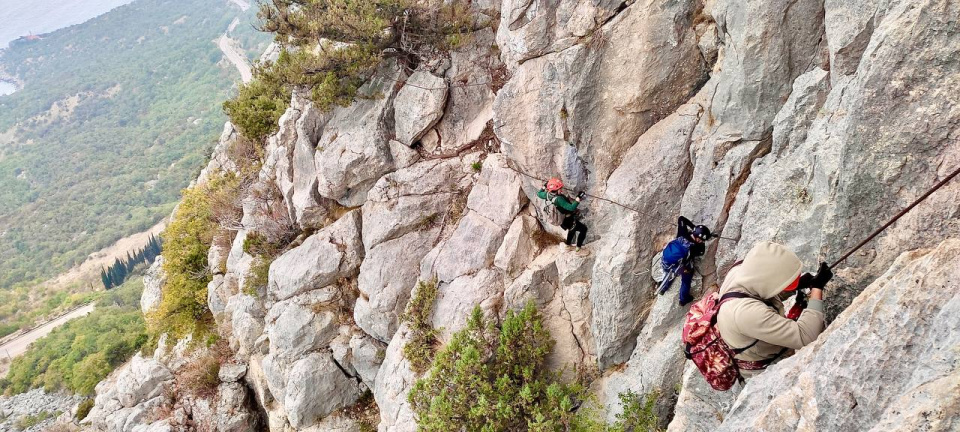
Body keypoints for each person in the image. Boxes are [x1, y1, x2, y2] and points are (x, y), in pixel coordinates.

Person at [716, 241, 832, 378]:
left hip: (748, 336)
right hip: (765, 368)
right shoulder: (747, 313)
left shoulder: (741, 271)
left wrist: (795, 285)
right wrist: (817, 289)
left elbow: (762, 290)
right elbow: (805, 336)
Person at [661, 216, 712, 306]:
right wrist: (702, 242)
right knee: (686, 278)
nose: (701, 242)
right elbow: (701, 253)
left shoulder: (682, 233)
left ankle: (663, 287)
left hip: (666, 260)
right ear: (698, 239)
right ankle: (683, 299)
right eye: (701, 240)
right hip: (680, 265)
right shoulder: (694, 247)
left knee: (668, 272)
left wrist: (693, 228)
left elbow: (681, 219)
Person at [536, 178, 588, 250]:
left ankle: (568, 245)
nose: (561, 190)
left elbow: (539, 193)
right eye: (560, 189)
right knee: (583, 229)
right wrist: (578, 198)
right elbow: (571, 208)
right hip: (567, 219)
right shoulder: (558, 199)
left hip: (562, 219)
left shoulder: (547, 194)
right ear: (556, 190)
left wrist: (544, 187)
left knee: (572, 229)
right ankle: (578, 247)